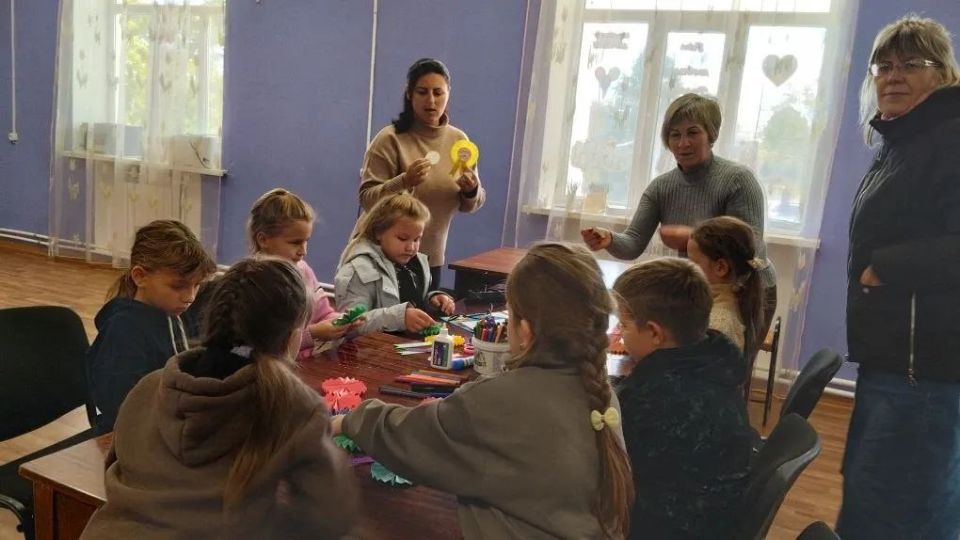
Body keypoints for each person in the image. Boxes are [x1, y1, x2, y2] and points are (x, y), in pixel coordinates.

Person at [332, 243, 633, 539]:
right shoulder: (604, 396)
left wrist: (349, 420)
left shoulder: (501, 399)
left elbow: (409, 436)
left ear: (525, 331)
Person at [80, 258, 359, 540]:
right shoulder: (293, 406)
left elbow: (116, 472)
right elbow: (328, 517)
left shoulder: (149, 387)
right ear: (291, 338)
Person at [836, 15, 960, 540]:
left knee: (894, 512)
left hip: (920, 373)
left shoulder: (948, 138)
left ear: (943, 73)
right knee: (879, 500)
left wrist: (886, 265)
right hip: (893, 362)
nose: (893, 75)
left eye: (911, 63)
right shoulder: (904, 139)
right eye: (883, 66)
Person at [580, 93, 777, 343]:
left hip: (749, 291)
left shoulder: (738, 180)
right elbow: (633, 243)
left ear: (711, 134)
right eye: (675, 135)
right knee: (693, 360)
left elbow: (751, 249)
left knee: (730, 364)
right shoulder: (661, 188)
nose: (683, 143)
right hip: (700, 290)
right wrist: (609, 239)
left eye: (692, 133)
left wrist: (692, 237)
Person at [612, 257, 752, 539]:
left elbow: (605, 472)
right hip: (714, 520)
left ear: (654, 333)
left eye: (624, 326)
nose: (620, 335)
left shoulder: (651, 400)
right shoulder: (714, 365)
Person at [358, 57, 485, 288]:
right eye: (422, 92)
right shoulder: (389, 139)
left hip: (430, 260)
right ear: (409, 94)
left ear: (448, 94)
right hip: (383, 259)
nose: (431, 100)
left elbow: (471, 204)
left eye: (438, 92)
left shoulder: (459, 140)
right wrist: (404, 181)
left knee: (427, 312)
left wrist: (471, 190)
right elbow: (367, 200)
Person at [87, 219, 216, 432]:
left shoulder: (178, 311)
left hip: (174, 422)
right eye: (178, 286)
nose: (190, 297)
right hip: (134, 433)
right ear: (140, 277)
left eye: (196, 285)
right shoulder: (124, 330)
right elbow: (120, 407)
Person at [248, 188, 362, 359]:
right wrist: (313, 334)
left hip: (309, 363)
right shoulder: (252, 282)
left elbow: (324, 314)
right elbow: (262, 346)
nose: (303, 251)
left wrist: (343, 322)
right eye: (295, 243)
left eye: (306, 241)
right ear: (263, 240)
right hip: (272, 369)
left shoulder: (303, 270)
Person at [336, 192, 455, 334]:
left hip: (406, 342)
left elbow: (414, 300)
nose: (411, 247)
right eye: (402, 238)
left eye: (417, 239)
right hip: (369, 346)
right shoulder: (359, 269)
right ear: (378, 232)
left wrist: (433, 300)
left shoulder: (415, 263)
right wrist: (400, 318)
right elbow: (352, 323)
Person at [688, 216, 767, 362]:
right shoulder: (733, 300)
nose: (686, 270)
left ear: (721, 267)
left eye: (693, 263)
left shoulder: (719, 324)